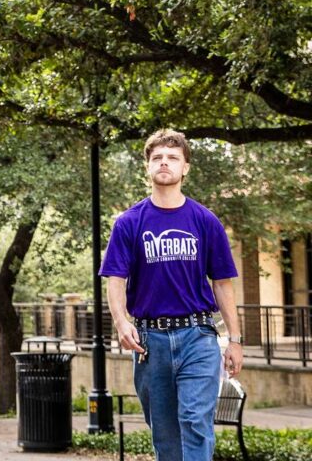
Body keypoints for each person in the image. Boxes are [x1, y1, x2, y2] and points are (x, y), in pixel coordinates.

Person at [101, 129, 243, 460]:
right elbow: (115, 279)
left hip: (199, 337)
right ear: (148, 167)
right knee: (165, 433)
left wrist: (235, 339)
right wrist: (122, 323)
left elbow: (222, 282)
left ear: (185, 168)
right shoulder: (128, 223)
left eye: (173, 158)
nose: (164, 163)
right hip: (150, 341)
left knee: (195, 422)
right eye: (157, 158)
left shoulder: (205, 221)